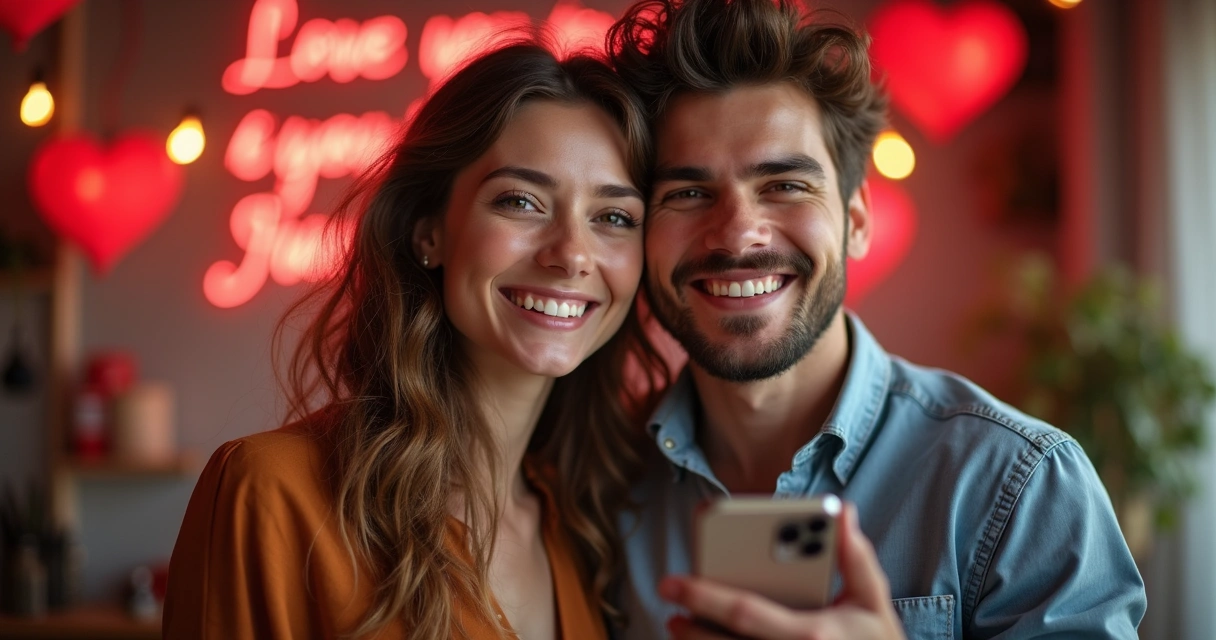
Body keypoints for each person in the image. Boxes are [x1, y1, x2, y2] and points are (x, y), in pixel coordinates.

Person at [606, 1, 1149, 638]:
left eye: (784, 184)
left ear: (856, 218)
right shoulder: (602, 486)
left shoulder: (1020, 486)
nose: (737, 234)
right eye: (688, 193)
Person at [164, 41, 669, 639]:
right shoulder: (271, 491)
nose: (571, 254)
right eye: (521, 201)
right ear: (429, 231)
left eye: (614, 217)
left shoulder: (588, 524)